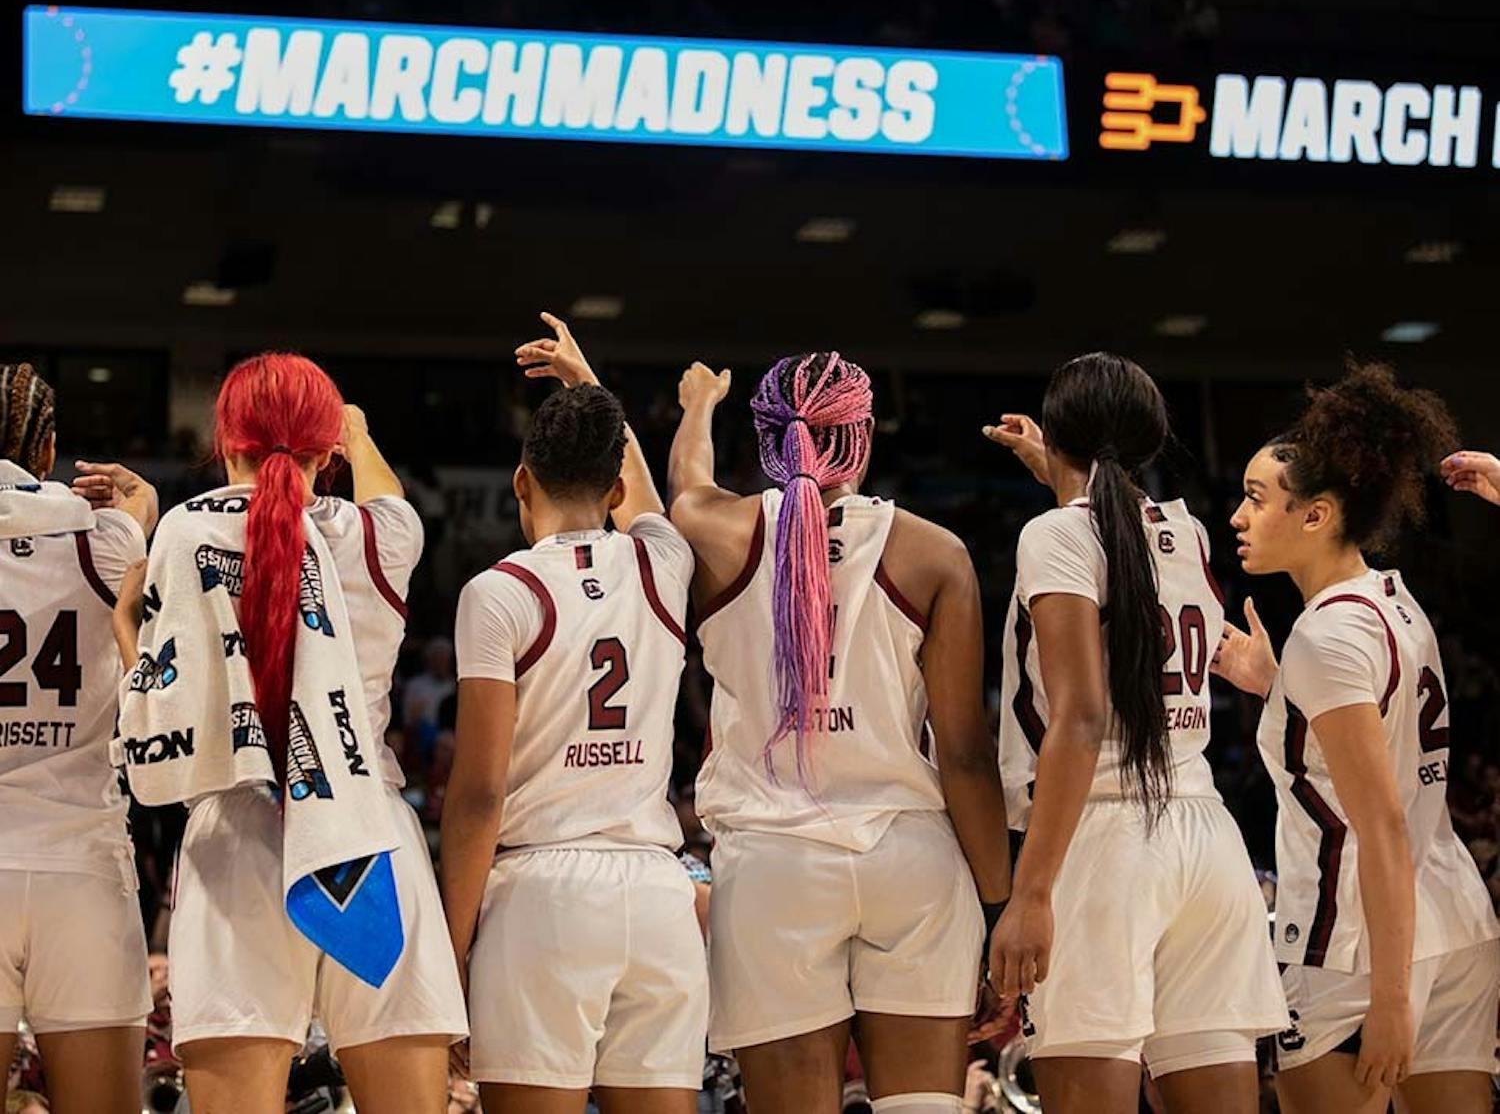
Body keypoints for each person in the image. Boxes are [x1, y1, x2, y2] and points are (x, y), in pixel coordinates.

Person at [113, 353, 467, 1114]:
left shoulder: (181, 530)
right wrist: (357, 433)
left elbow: (160, 735)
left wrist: (124, 630)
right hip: (366, 833)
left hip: (236, 846)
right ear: (328, 448)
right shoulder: (383, 535)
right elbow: (389, 497)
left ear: (225, 440)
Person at [668, 353, 1012, 1114]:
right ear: (862, 438)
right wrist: (997, 906)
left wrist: (698, 405)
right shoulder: (935, 551)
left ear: (766, 441)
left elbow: (685, 486)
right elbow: (963, 754)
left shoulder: (717, 531)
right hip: (913, 861)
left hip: (775, 864)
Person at [984, 352, 1287, 1114]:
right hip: (1207, 840)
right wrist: (1054, 466)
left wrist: (1030, 892)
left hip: (1104, 839)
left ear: (1060, 436)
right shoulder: (1187, 535)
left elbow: (1082, 718)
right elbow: (1112, 535)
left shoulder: (1054, 535)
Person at [1213, 363, 1500, 1114]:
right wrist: (1279, 685)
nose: (1237, 518)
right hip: (1456, 921)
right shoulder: (1392, 602)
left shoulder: (1325, 637)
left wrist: (1392, 997)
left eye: (1255, 498)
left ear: (1316, 515)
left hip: (1356, 945)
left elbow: (1380, 824)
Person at [442, 314, 708, 1114]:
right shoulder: (665, 563)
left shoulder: (497, 592)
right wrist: (585, 378)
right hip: (659, 895)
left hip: (543, 895)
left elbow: (479, 794)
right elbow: (648, 494)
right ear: (618, 489)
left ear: (521, 483)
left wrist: (451, 949)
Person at [0, 362, 159, 1114]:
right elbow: (139, 513)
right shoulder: (104, 538)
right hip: (84, 869)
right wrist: (141, 505)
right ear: (50, 447)